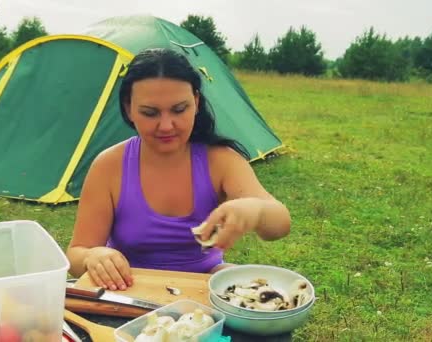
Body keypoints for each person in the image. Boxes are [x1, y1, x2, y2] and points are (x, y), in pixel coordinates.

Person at [66, 48, 291, 291]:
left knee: (238, 280)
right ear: (129, 109)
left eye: (179, 109)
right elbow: (77, 254)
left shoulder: (220, 161)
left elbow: (280, 224)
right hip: (127, 289)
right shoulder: (109, 166)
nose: (166, 125)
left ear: (196, 102)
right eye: (150, 113)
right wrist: (92, 257)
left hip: (204, 286)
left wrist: (256, 211)